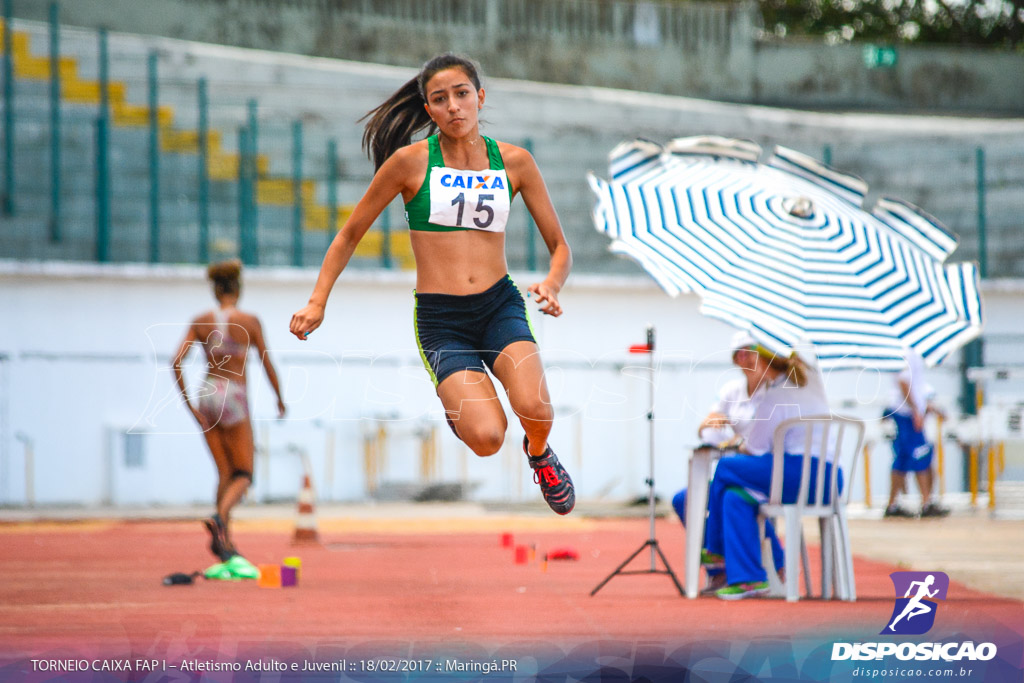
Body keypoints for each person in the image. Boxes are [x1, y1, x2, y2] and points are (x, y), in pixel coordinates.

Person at [288, 54, 575, 514]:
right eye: (440, 100)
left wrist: (553, 284)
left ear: (480, 97)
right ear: (428, 110)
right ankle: (460, 405)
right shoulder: (408, 163)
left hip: (499, 306)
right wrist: (317, 301)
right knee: (487, 438)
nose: (454, 107)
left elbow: (560, 245)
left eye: (462, 94)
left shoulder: (516, 162)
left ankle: (539, 454)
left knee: (537, 412)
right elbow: (348, 234)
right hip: (443, 320)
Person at [172, 259, 287, 573]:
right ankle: (220, 519)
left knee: (224, 473)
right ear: (238, 288)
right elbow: (266, 362)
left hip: (207, 391)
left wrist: (191, 408)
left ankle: (226, 544)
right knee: (244, 474)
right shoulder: (248, 321)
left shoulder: (200, 321)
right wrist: (279, 398)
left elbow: (175, 361)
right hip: (234, 393)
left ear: (214, 289)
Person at [700, 342, 838, 600]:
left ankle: (715, 550)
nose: (743, 363)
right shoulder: (811, 381)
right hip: (829, 479)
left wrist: (736, 441)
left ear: (764, 362)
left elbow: (754, 449)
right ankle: (748, 579)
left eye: (748, 357)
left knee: (726, 467)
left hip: (799, 474)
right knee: (734, 496)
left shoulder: (773, 397)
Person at [671, 331, 784, 594]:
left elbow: (761, 441)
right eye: (741, 353)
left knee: (731, 494)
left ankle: (738, 555)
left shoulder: (774, 390)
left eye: (751, 351)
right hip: (737, 470)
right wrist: (712, 427)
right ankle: (717, 570)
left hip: (760, 469)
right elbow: (709, 429)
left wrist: (736, 439)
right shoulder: (731, 390)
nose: (746, 358)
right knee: (684, 499)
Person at [883, 350, 949, 518]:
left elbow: (911, 384)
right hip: (907, 414)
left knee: (903, 459)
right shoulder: (907, 350)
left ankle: (892, 505)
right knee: (920, 455)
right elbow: (904, 382)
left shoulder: (904, 350)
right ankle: (926, 502)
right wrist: (916, 411)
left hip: (903, 411)